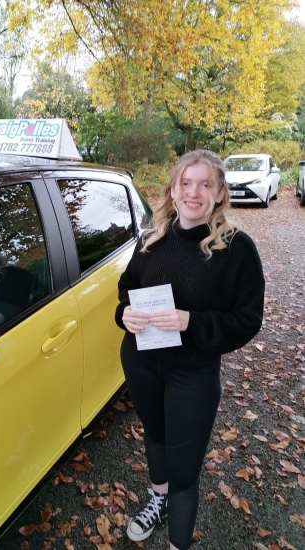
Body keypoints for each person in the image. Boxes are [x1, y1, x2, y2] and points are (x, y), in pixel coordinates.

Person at [115, 150, 264, 550]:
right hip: (142, 362)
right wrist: (123, 313)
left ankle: (178, 542)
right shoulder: (151, 238)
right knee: (156, 437)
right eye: (186, 182)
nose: (193, 192)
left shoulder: (237, 250)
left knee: (184, 468)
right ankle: (156, 499)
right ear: (174, 188)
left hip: (192, 375)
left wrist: (191, 322)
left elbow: (248, 319)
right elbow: (127, 288)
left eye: (205, 184)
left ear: (219, 194)